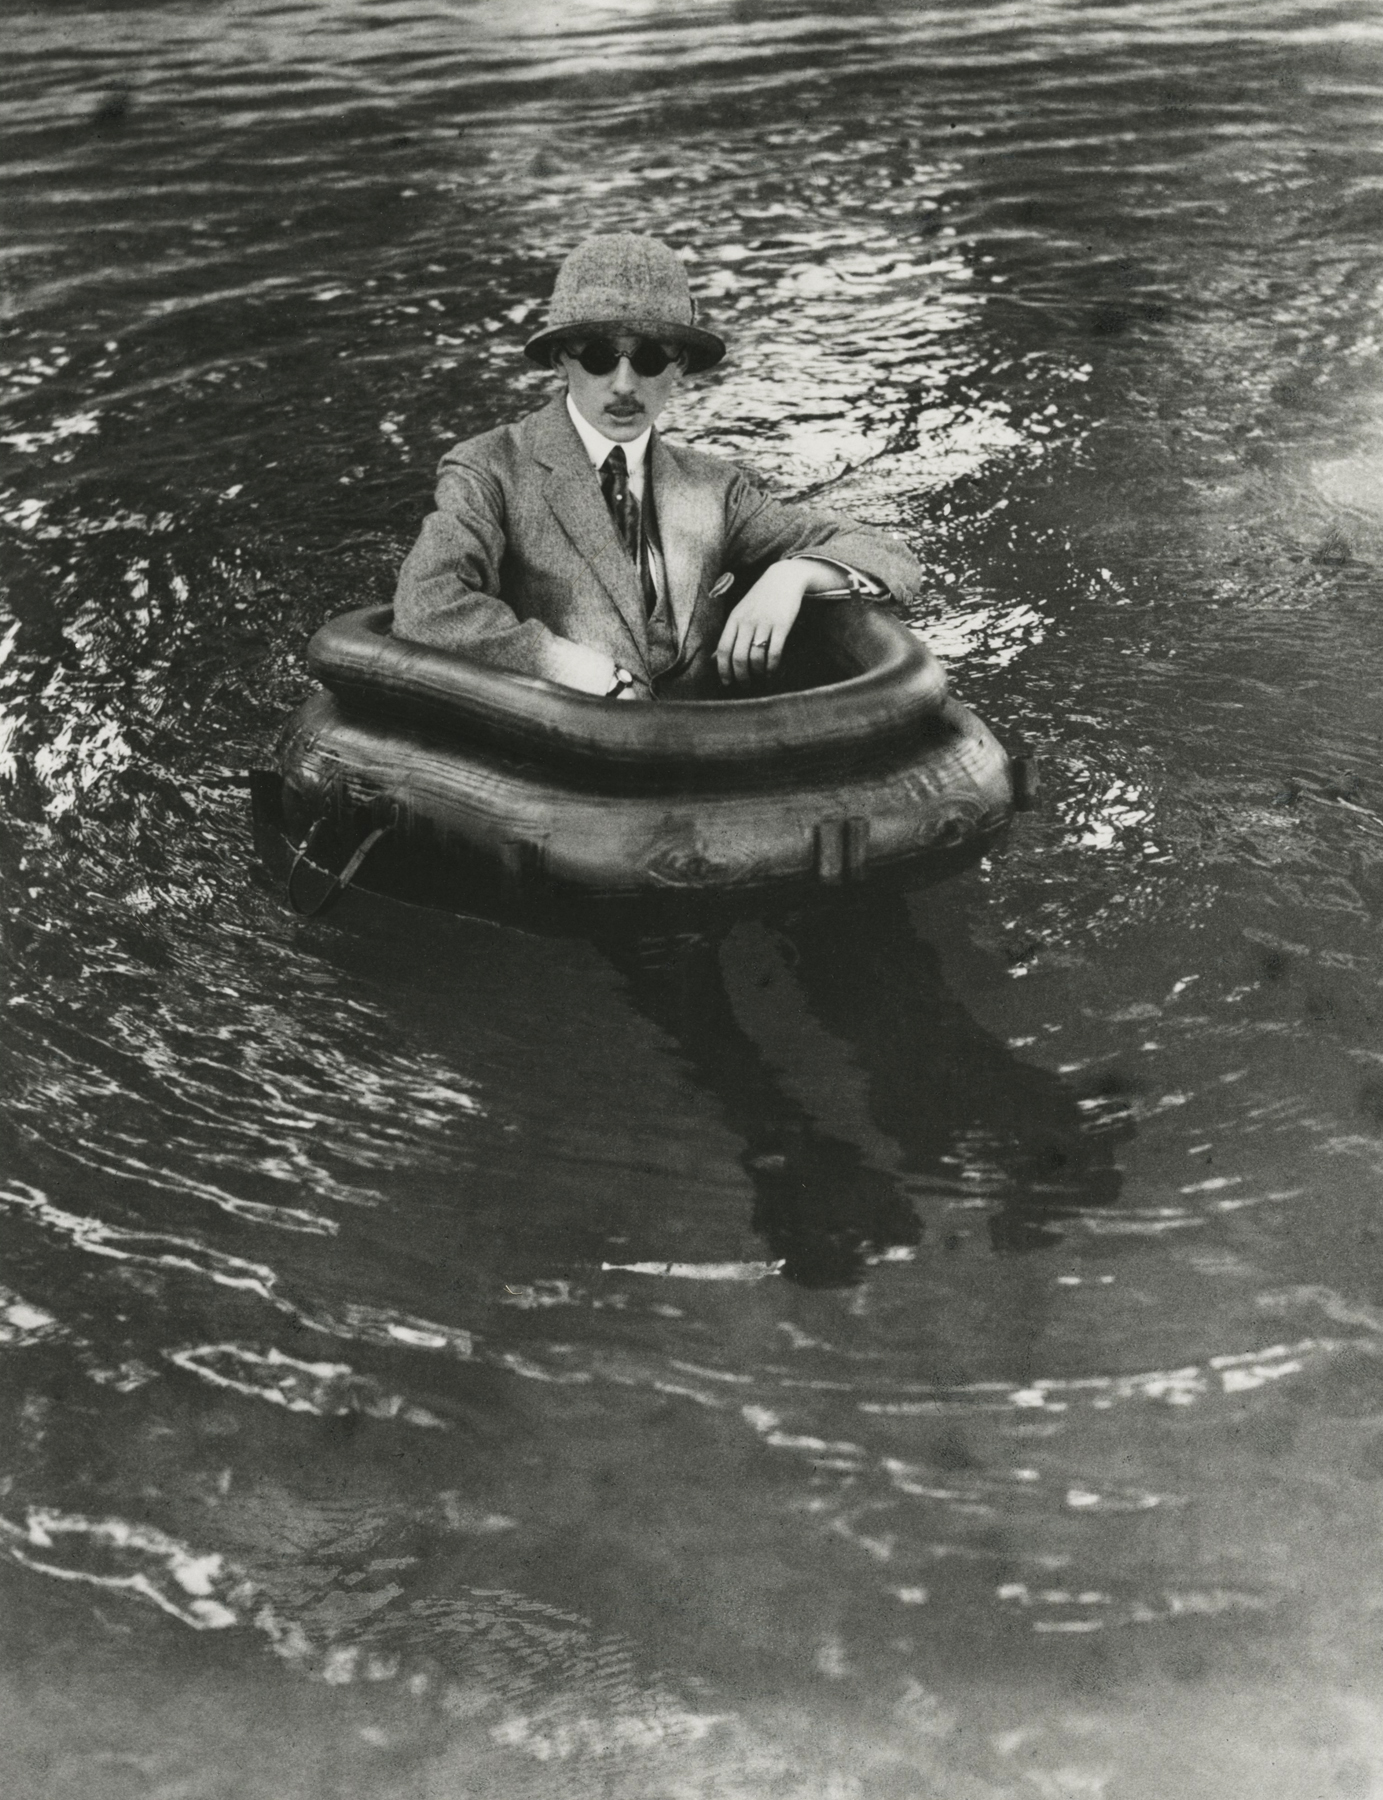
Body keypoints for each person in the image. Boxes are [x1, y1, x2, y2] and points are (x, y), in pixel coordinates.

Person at [393, 234, 924, 700]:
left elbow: (891, 555)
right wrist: (584, 675)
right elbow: (428, 602)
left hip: (699, 760)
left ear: (681, 365)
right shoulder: (488, 468)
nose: (624, 385)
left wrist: (794, 573)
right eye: (599, 356)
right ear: (560, 359)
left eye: (649, 358)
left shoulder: (716, 489)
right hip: (564, 755)